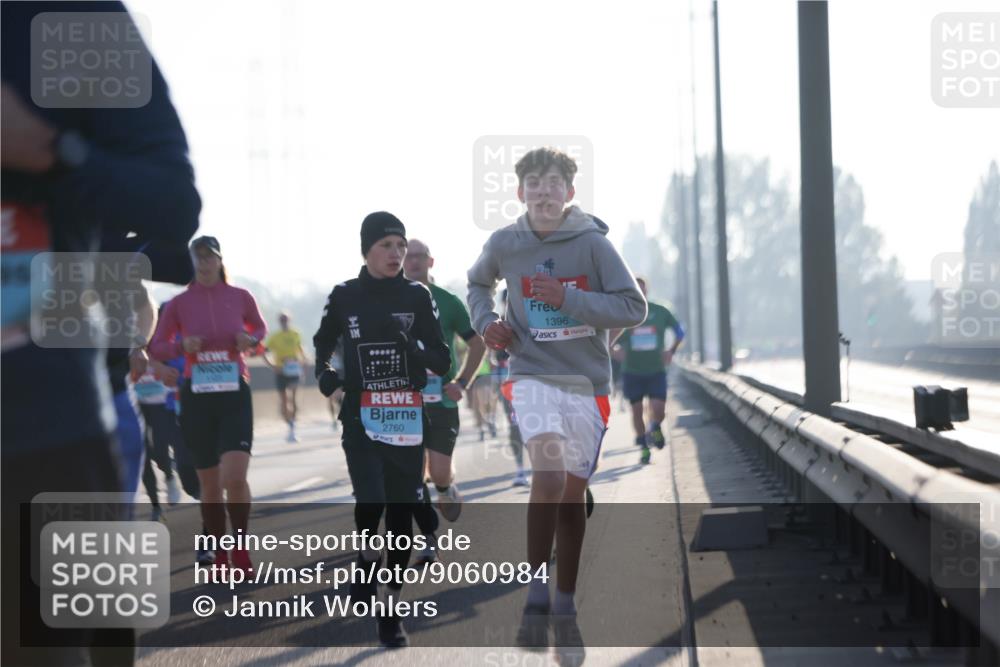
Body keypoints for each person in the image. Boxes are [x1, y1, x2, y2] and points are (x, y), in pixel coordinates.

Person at [1, 3, 200, 663]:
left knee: (96, 634)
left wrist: (48, 149)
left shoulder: (64, 16)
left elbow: (171, 202)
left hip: (48, 429)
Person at [467, 147, 646, 650]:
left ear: (569, 192)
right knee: (546, 477)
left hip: (586, 385)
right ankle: (535, 593)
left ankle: (565, 602)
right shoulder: (506, 242)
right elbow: (477, 284)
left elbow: (633, 306)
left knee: (571, 495)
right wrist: (487, 323)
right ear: (520, 191)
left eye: (553, 183)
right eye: (533, 183)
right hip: (532, 375)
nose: (543, 192)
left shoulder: (592, 244)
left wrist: (566, 298)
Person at [314, 212, 450, 648]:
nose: (396, 254)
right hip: (361, 414)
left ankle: (390, 608)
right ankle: (365, 558)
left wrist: (411, 344)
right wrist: (326, 372)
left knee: (400, 516)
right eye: (386, 245)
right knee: (370, 502)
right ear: (367, 250)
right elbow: (324, 345)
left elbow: (442, 359)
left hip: (406, 417)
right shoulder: (344, 295)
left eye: (400, 245)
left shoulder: (416, 295)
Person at [149, 236, 267, 575]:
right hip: (198, 398)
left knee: (234, 476)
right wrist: (182, 345)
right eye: (197, 258)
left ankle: (240, 549)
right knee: (211, 485)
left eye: (209, 257)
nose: (203, 264)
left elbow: (259, 330)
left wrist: (251, 340)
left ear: (219, 260)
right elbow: (156, 347)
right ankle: (218, 553)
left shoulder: (241, 297)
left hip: (234, 395)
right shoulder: (178, 304)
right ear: (191, 262)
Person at [403, 239, 487, 561]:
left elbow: (477, 344)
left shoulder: (448, 302)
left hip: (441, 401)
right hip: (403, 403)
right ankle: (427, 538)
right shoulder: (390, 301)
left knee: (437, 472)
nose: (412, 262)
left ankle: (444, 486)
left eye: (419, 257)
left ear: (430, 262)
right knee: (411, 474)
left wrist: (461, 382)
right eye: (407, 257)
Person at [612, 277, 685, 465]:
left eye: (641, 290)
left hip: (656, 371)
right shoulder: (624, 314)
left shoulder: (660, 311)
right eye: (635, 290)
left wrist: (671, 351)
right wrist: (615, 353)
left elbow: (680, 331)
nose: (639, 293)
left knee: (658, 410)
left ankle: (655, 426)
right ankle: (644, 448)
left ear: (646, 291)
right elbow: (607, 339)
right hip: (633, 372)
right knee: (636, 411)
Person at [264, 312, 308, 442]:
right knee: (284, 402)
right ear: (279, 322)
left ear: (290, 320)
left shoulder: (295, 334)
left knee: (293, 398)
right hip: (281, 371)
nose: (284, 322)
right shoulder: (274, 337)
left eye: (286, 320)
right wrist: (272, 365)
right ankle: (289, 425)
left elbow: (301, 351)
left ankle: (293, 427)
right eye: (282, 320)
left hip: (294, 370)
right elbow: (264, 352)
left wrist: (304, 365)